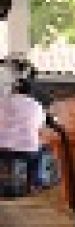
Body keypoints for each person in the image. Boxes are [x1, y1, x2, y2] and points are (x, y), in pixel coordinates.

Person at [0, 56, 48, 195]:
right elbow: (40, 126)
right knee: (42, 151)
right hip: (28, 149)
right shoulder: (37, 105)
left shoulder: (3, 101)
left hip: (2, 148)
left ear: (14, 89)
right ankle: (34, 182)